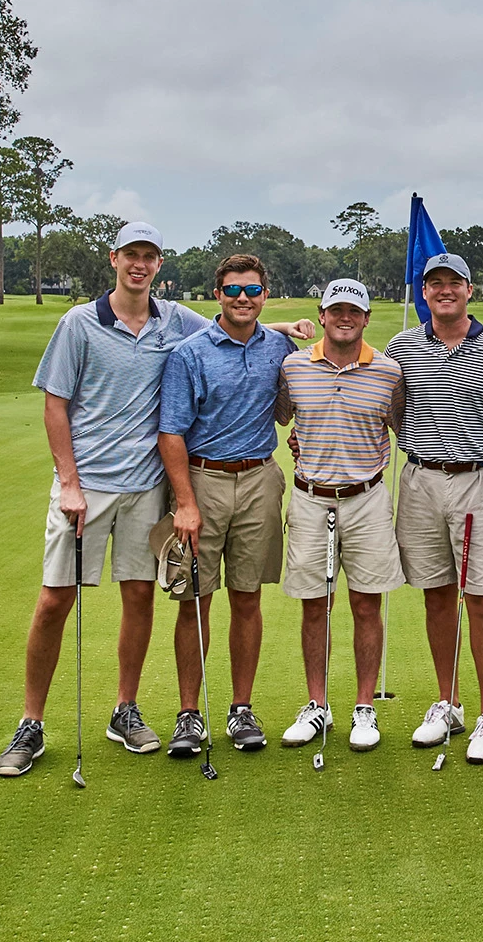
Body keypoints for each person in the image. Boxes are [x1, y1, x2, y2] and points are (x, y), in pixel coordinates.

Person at [0, 222, 211, 777]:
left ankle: (125, 708)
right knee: (54, 600)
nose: (139, 265)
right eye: (130, 255)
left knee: (138, 597)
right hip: (85, 488)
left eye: (149, 256)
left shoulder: (174, 320)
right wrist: (67, 482)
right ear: (114, 259)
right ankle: (31, 722)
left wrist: (286, 325)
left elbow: (226, 331)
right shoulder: (80, 323)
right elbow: (55, 404)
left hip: (145, 487)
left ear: (159, 264)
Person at [384, 252, 483, 765]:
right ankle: (448, 702)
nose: (444, 290)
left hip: (480, 480)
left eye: (454, 283)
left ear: (471, 290)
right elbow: (385, 412)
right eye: (434, 284)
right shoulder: (401, 347)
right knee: (436, 596)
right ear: (423, 292)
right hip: (420, 479)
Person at [156, 253, 295, 758]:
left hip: (260, 478)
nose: (243, 298)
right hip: (202, 479)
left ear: (264, 296)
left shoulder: (279, 346)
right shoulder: (189, 354)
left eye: (253, 291)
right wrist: (185, 503)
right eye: (234, 289)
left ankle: (241, 709)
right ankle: (189, 715)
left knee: (248, 596)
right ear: (218, 294)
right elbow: (170, 432)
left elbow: (295, 401)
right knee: (194, 599)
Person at [272, 279, 407, 752]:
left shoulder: (390, 374)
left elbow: (404, 428)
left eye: (355, 310)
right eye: (336, 309)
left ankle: (364, 707)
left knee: (367, 604)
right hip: (310, 498)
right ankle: (317, 705)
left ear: (367, 318)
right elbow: (287, 419)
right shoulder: (292, 366)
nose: (345, 317)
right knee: (315, 604)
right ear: (322, 315)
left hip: (367, 497)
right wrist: (299, 442)